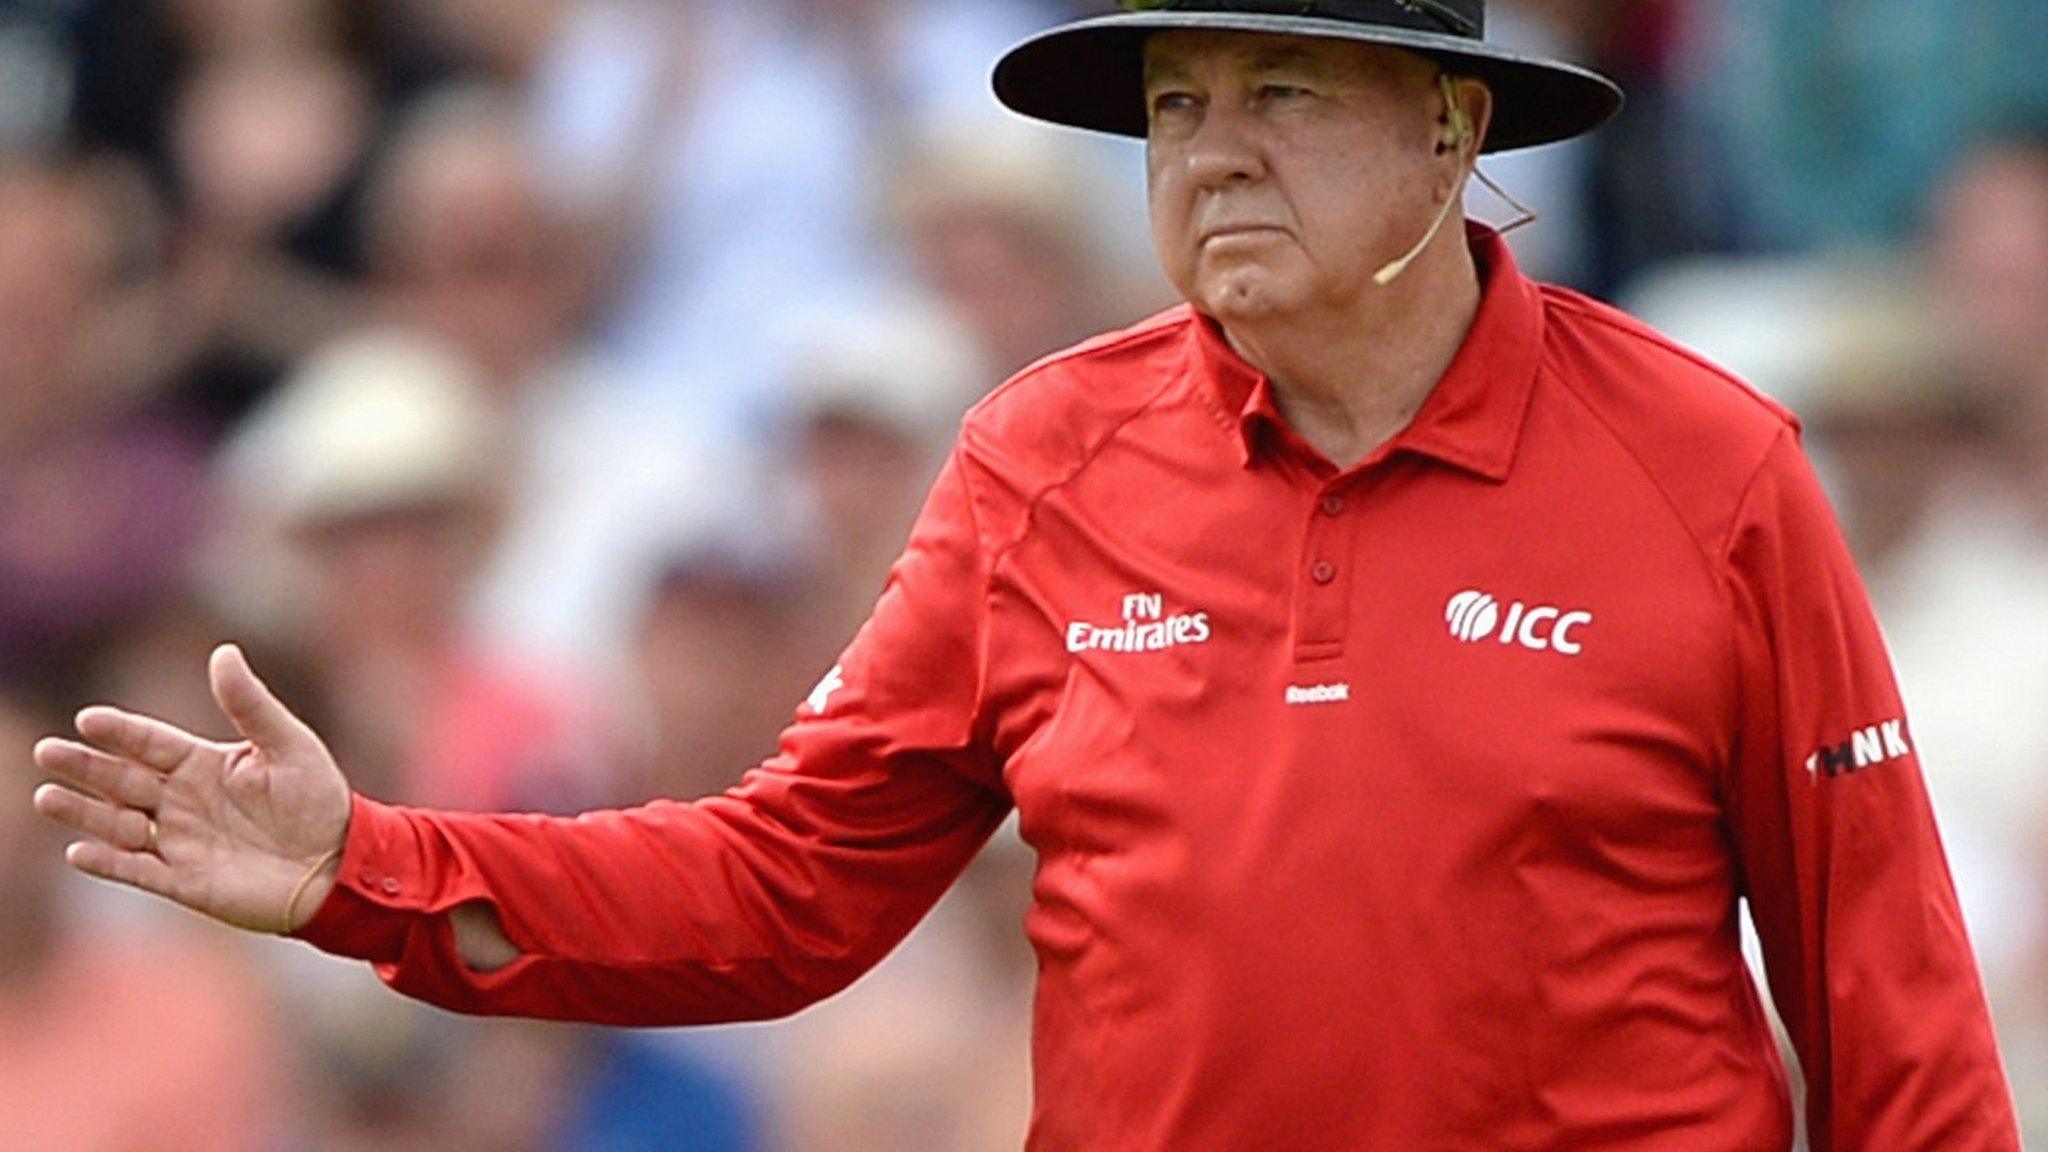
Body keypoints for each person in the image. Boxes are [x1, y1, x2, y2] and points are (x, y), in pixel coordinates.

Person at [29, 3, 2022, 1149]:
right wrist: (363, 866)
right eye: (1172, 104)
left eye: (1279, 94)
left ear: (1449, 129)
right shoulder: (1043, 457)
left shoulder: (1706, 466)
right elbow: (782, 886)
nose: (1207, 154)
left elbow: (1892, 1013)